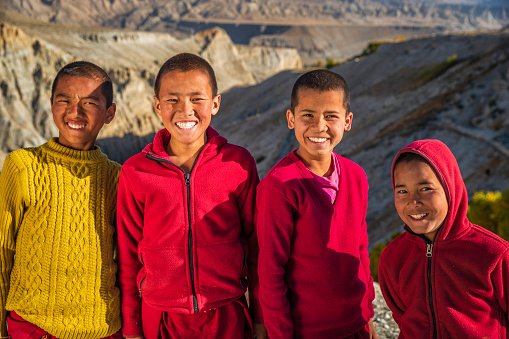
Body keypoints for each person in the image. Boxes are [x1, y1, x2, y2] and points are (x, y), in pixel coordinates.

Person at [116, 53, 264, 339]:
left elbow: (256, 247)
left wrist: (259, 318)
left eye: (197, 99)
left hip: (227, 316)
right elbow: (128, 257)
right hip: (161, 319)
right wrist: (132, 329)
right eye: (172, 100)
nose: (186, 110)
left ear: (215, 103)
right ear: (157, 106)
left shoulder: (238, 165)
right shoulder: (136, 172)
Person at [0, 61, 122, 338]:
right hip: (33, 326)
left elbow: (127, 263)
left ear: (109, 113)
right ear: (51, 103)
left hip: (103, 329)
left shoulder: (117, 178)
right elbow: (1, 251)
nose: (74, 111)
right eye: (63, 100)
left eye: (89, 103)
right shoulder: (23, 166)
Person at [256, 69, 378, 338]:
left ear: (347, 121)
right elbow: (271, 270)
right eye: (308, 115)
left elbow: (360, 250)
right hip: (308, 331)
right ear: (291, 119)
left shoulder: (356, 176)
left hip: (356, 325)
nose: (319, 126)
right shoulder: (279, 186)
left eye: (330, 116)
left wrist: (368, 317)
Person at [378, 139, 509, 338]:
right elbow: (402, 319)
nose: (413, 202)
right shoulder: (393, 258)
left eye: (425, 189)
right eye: (402, 191)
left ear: (450, 187)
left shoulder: (493, 254)